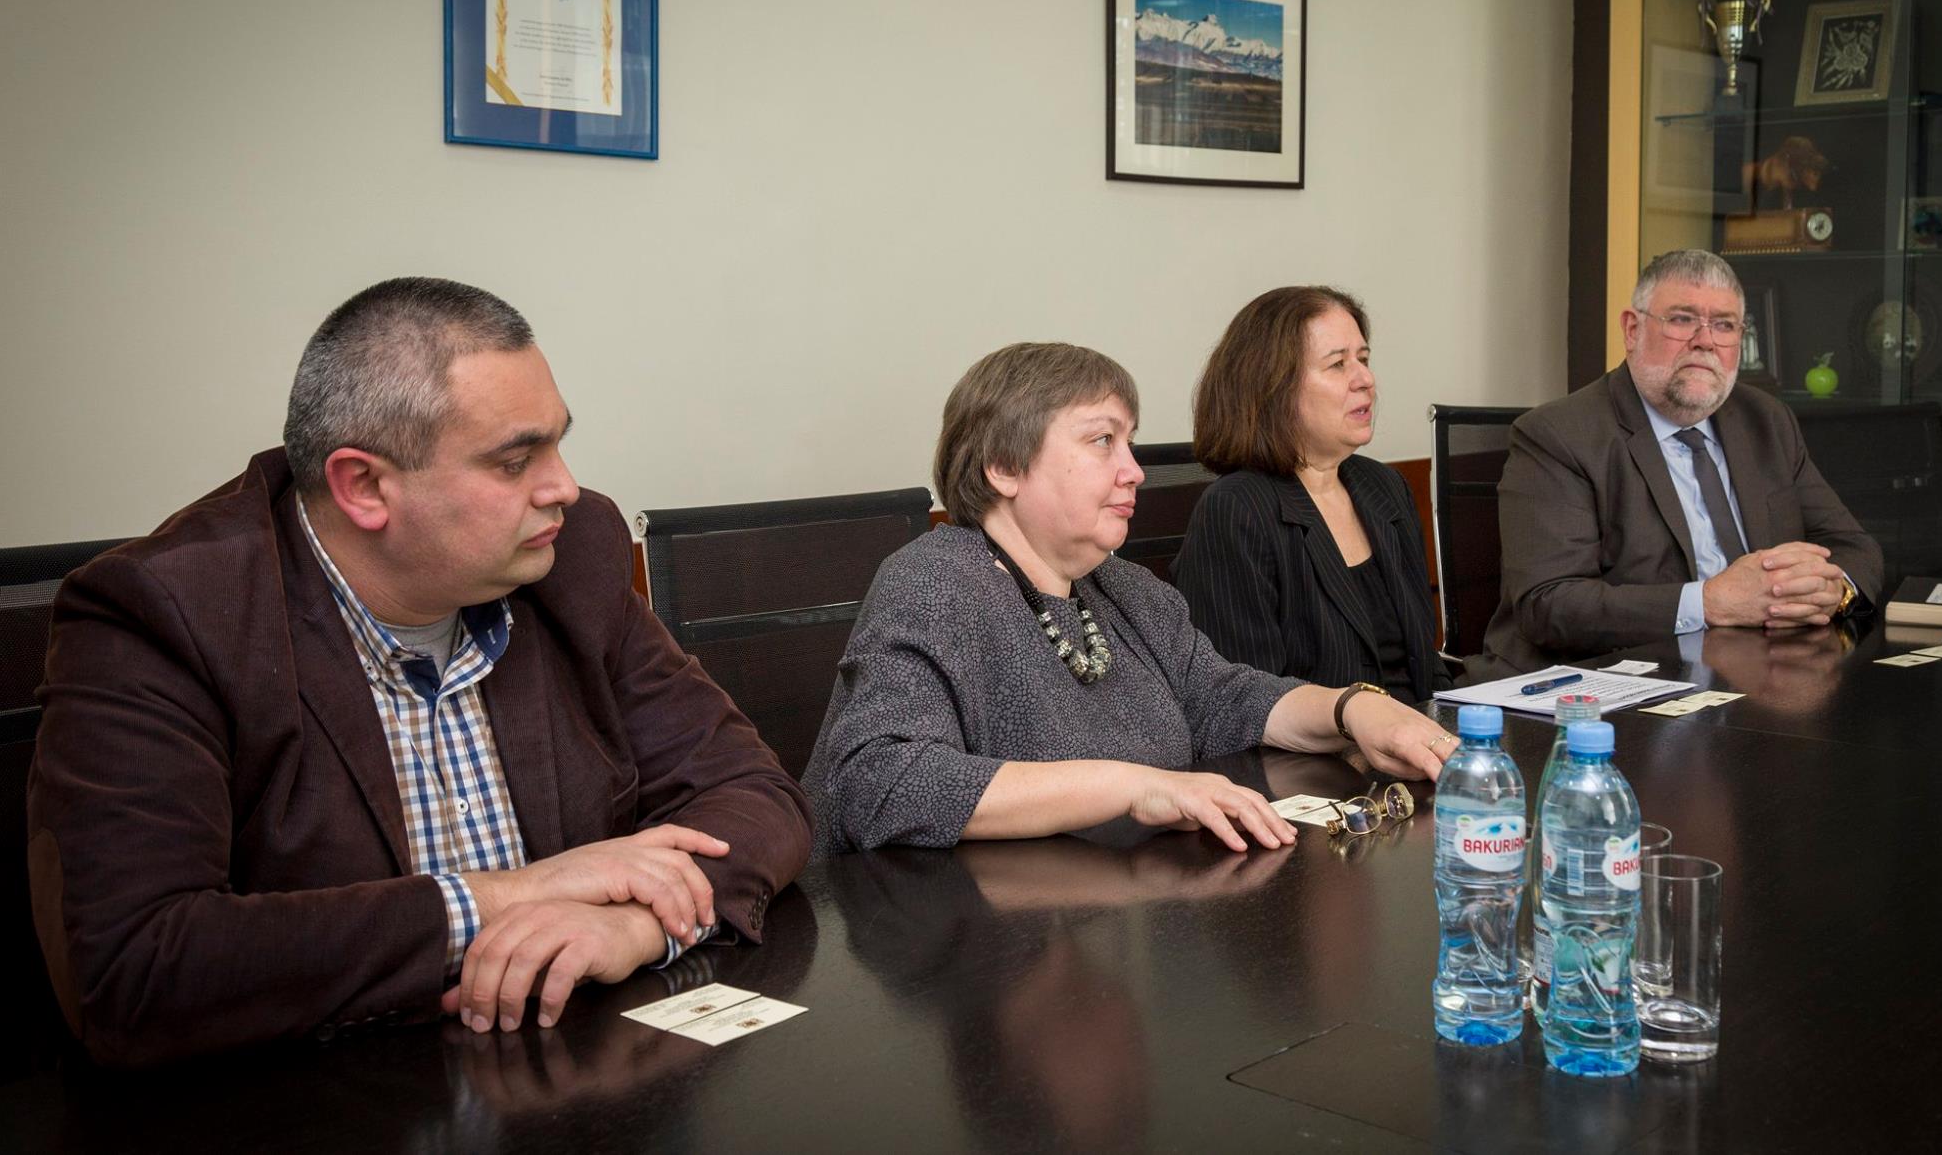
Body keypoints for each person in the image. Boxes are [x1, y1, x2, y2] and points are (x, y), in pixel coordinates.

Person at [27, 278, 813, 1065]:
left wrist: (634, 924)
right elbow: (135, 968)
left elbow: (754, 794)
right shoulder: (165, 614)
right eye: (515, 461)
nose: (563, 488)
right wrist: (512, 894)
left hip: (571, 1074)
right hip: (320, 1098)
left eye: (556, 444)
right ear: (365, 486)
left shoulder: (570, 556)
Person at [802, 342, 1453, 854]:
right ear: (1003, 467)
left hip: (1093, 912)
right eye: (1101, 440)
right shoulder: (932, 583)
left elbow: (1224, 698)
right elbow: (882, 782)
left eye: (1130, 442)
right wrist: (1130, 787)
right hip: (938, 941)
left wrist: (1352, 709)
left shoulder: (1122, 588)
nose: (1134, 470)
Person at [1482, 249, 1882, 673]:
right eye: (1682, 319)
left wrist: (1834, 591)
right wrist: (1710, 602)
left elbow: (1854, 547)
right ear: (1632, 329)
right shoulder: (1559, 435)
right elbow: (1549, 603)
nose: (1705, 341)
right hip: (1605, 681)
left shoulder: (1766, 421)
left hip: (1752, 672)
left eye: (1724, 325)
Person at [1175, 286, 1450, 703]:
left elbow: (1426, 665)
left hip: (1416, 729)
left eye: (1363, 359)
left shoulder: (1383, 486)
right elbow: (1246, 704)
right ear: (1273, 387)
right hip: (1319, 742)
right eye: (1338, 364)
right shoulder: (1237, 509)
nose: (1366, 380)